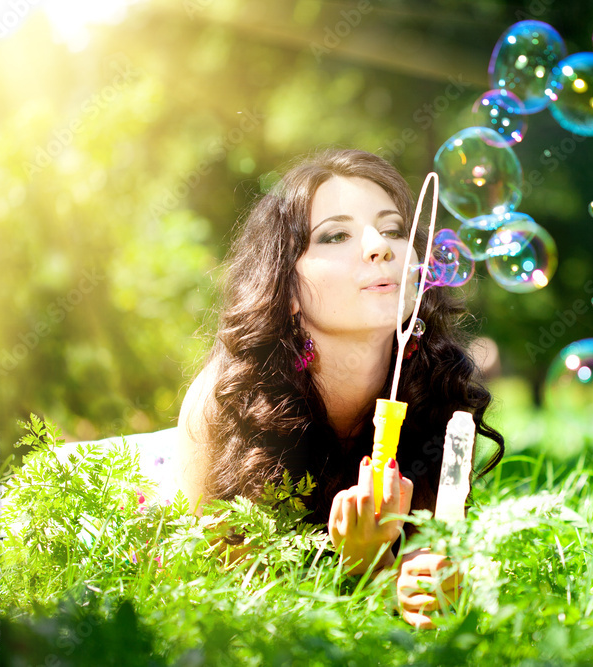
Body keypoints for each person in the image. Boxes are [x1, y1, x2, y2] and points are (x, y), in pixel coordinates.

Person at [175, 148, 504, 629]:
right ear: (286, 289)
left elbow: (426, 587)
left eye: (393, 229)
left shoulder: (441, 393)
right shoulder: (228, 402)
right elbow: (226, 606)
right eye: (335, 235)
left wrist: (404, 577)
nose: (380, 246)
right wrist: (361, 567)